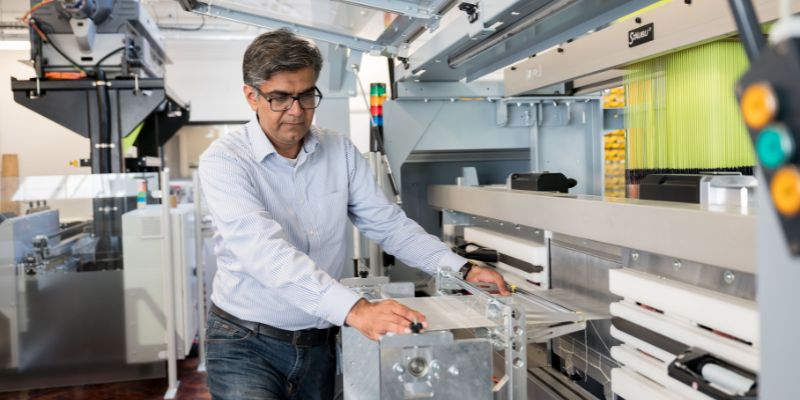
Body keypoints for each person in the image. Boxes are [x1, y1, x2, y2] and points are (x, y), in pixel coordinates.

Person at [198, 28, 509, 400]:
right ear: (252, 96)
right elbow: (266, 254)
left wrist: (461, 269)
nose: (296, 112)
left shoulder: (339, 150)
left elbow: (387, 224)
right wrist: (356, 309)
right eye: (280, 98)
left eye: (307, 96)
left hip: (318, 342)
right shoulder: (225, 161)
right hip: (245, 341)